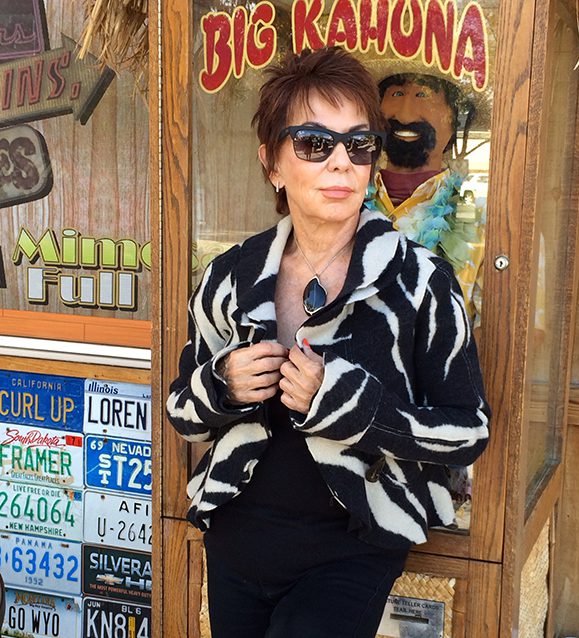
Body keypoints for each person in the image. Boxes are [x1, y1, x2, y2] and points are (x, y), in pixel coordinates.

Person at [167, 47, 490, 638]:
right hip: (237, 538)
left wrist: (347, 404)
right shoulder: (229, 276)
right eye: (315, 143)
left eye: (359, 144)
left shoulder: (418, 282)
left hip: (352, 549)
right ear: (272, 163)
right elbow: (182, 414)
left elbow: (468, 431)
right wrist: (223, 383)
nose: (341, 162)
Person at [366, 72, 485, 323]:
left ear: (454, 122)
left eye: (423, 95)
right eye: (397, 94)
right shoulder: (340, 206)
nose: (406, 114)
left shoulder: (485, 225)